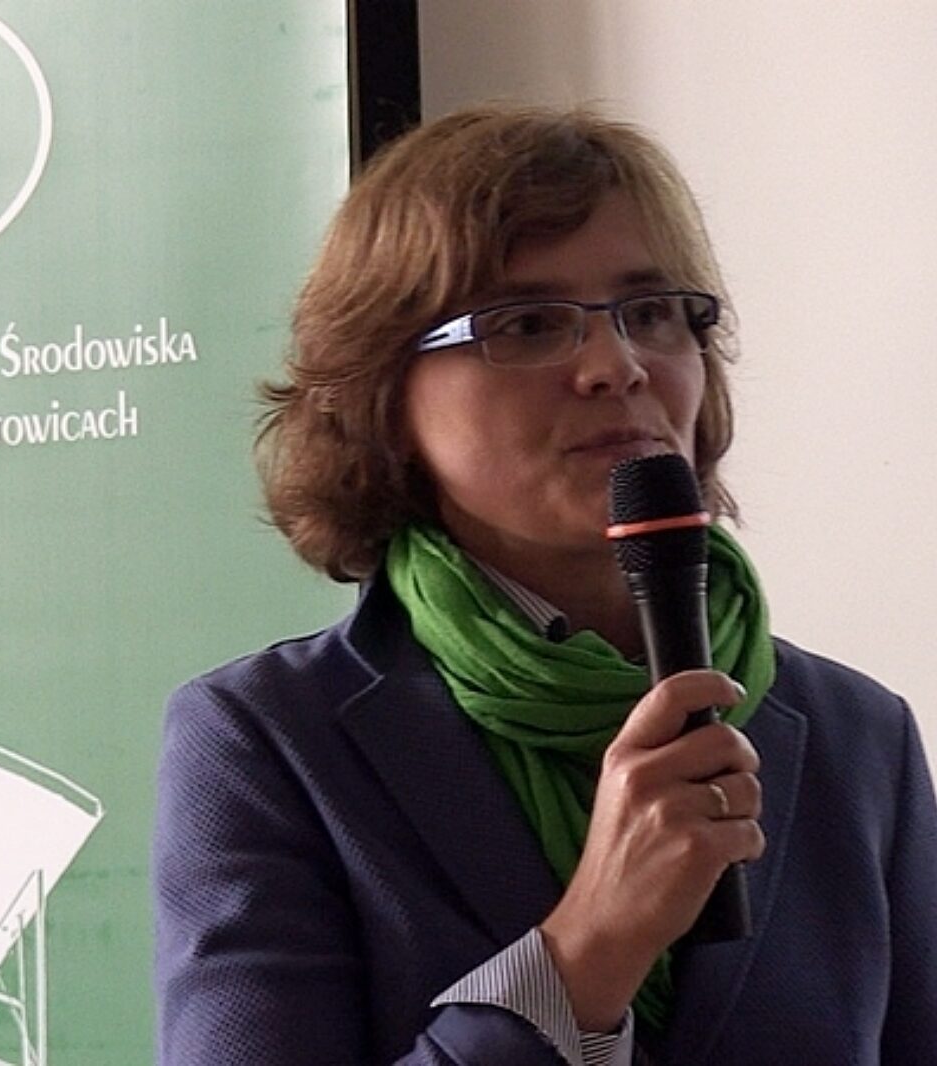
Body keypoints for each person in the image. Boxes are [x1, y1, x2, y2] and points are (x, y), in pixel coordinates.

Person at [152, 105, 937, 1065]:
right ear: (382, 398)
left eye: (651, 314)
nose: (616, 366)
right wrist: (588, 950)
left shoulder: (859, 738)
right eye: (526, 325)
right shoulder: (270, 742)